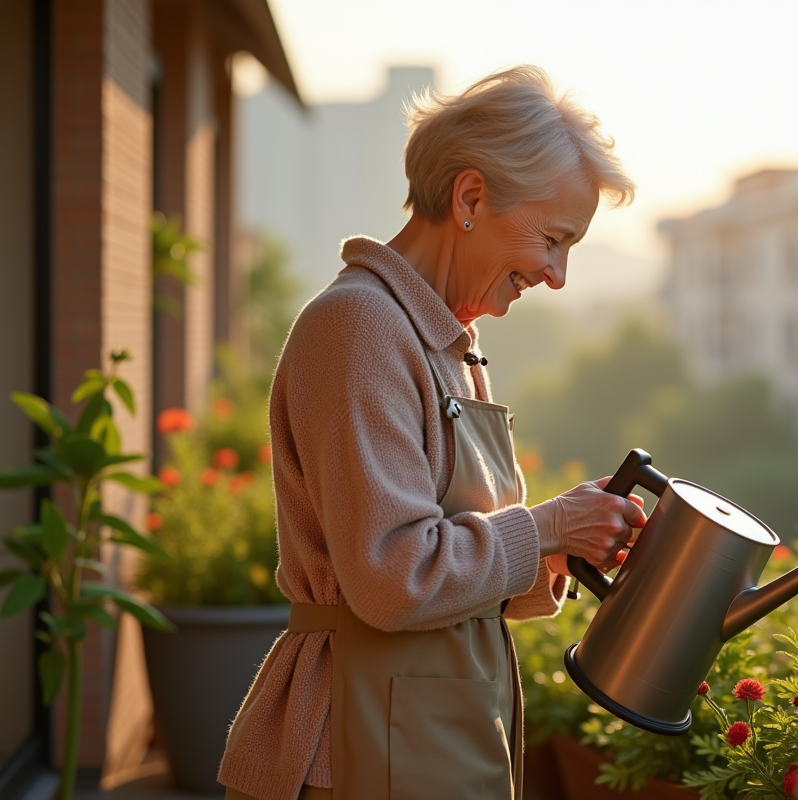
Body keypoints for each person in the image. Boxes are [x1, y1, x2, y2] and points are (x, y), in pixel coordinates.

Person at [218, 66, 647, 800]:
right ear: (471, 197)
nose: (559, 275)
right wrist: (545, 526)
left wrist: (568, 541)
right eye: (552, 239)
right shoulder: (360, 328)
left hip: (421, 727)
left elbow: (456, 562)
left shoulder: (449, 343)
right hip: (354, 744)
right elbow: (393, 577)